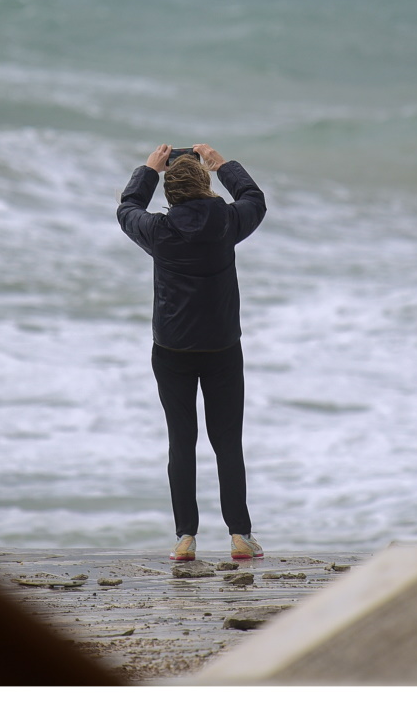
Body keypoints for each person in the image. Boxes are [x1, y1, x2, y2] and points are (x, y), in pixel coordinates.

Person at [117, 142, 267, 562]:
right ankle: (239, 536)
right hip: (222, 348)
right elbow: (254, 199)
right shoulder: (227, 222)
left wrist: (148, 171)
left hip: (172, 350)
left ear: (170, 193)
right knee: (227, 442)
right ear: (204, 183)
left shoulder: (159, 232)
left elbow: (127, 209)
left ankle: (185, 539)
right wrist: (224, 166)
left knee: (182, 443)